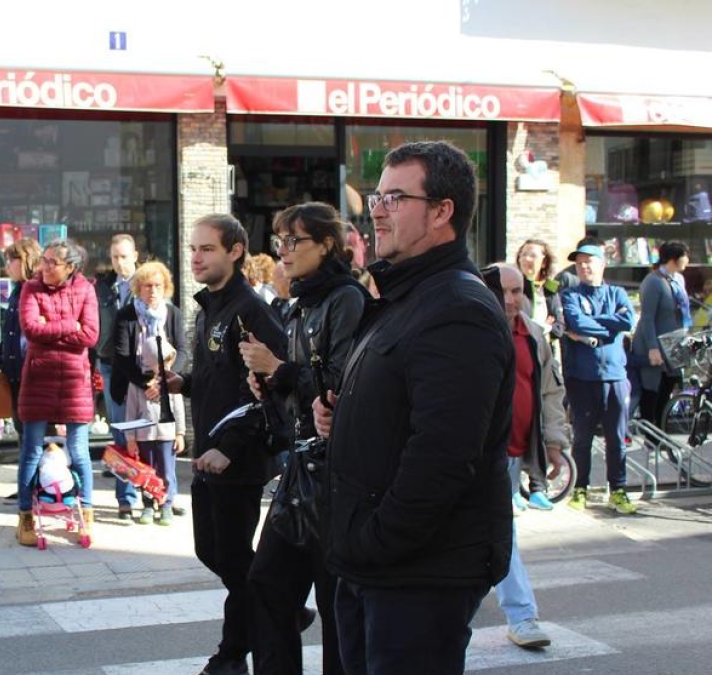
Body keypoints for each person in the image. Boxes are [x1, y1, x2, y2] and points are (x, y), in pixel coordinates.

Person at [312, 141, 514, 675]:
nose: (376, 210)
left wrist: (376, 540)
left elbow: (444, 454)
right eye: (377, 196)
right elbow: (401, 404)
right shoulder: (407, 295)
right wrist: (342, 414)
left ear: (443, 210)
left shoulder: (457, 308)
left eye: (395, 197)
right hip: (374, 563)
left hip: (417, 570)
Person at [240, 202, 368, 675]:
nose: (284, 251)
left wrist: (279, 370)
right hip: (299, 475)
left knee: (337, 612)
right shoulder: (300, 304)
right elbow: (296, 400)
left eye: (295, 241)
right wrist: (269, 382)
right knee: (266, 584)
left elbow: (345, 387)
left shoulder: (346, 299)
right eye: (280, 242)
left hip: (334, 479)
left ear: (328, 245)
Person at [162, 214, 285, 675]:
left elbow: (263, 389)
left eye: (207, 249)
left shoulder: (251, 311)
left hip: (236, 456)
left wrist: (230, 448)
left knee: (232, 556)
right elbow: (221, 376)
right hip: (209, 452)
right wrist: (184, 383)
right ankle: (279, 609)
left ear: (235, 251)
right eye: (193, 249)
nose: (195, 257)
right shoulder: (209, 308)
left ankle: (233, 653)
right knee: (212, 552)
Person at [480, 263, 570, 649]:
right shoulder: (474, 332)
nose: (512, 300)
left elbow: (550, 391)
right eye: (504, 291)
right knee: (502, 531)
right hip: (482, 453)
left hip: (516, 452)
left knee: (493, 532)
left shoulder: (533, 334)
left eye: (518, 292)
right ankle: (522, 616)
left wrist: (554, 443)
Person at [14, 239, 99, 546]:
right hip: (38, 378)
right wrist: (69, 325)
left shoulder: (86, 289)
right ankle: (25, 515)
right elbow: (31, 329)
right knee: (31, 450)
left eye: (53, 262)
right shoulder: (30, 288)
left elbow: (90, 335)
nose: (45, 267)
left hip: (75, 381)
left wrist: (51, 325)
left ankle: (85, 514)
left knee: (79, 452)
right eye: (44, 260)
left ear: (71, 267)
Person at [561, 243, 638, 515]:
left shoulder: (617, 292)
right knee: (582, 437)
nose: (583, 267)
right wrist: (609, 325)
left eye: (589, 261)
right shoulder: (570, 294)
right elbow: (576, 323)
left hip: (615, 375)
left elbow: (627, 320)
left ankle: (618, 490)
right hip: (581, 377)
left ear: (602, 264)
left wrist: (594, 322)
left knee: (616, 438)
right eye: (579, 263)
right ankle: (580, 487)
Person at [110, 261, 188, 525]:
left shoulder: (173, 313)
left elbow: (183, 351)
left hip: (167, 386)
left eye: (157, 285)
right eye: (147, 286)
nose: (152, 291)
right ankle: (135, 501)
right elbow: (121, 356)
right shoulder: (126, 315)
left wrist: (165, 381)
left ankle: (166, 501)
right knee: (138, 456)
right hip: (134, 387)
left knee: (166, 462)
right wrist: (147, 384)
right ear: (137, 288)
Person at [95, 233, 141, 519]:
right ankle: (125, 497)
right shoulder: (104, 286)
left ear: (135, 255)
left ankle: (155, 492)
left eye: (124, 256)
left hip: (140, 365)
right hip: (110, 363)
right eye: (115, 257)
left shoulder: (147, 283)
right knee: (121, 429)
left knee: (147, 430)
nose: (119, 262)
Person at [632, 241, 692, 428]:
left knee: (668, 386)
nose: (687, 260)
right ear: (674, 259)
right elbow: (648, 318)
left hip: (674, 343)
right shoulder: (653, 282)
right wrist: (652, 348)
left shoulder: (678, 280)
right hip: (655, 343)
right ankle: (650, 433)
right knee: (652, 389)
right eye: (685, 256)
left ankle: (662, 430)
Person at [0, 237, 42, 438]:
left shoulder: (36, 289)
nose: (6, 266)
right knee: (23, 431)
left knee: (34, 437)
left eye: (10, 260)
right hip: (15, 372)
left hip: (32, 374)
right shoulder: (17, 290)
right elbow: (11, 333)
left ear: (25, 260)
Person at [515, 239, 565, 342]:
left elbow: (559, 328)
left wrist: (547, 328)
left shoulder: (549, 290)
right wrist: (544, 327)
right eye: (523, 254)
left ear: (544, 262)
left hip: (545, 352)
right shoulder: (513, 288)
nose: (526, 259)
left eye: (533, 256)